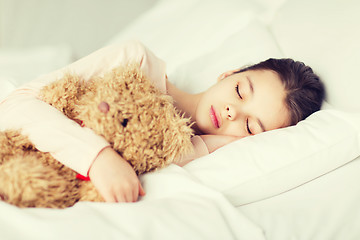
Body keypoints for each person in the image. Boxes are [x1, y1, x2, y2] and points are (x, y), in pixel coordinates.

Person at [0, 40, 325, 204]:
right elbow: (16, 106)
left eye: (251, 125)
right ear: (230, 74)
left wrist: (207, 146)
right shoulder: (136, 61)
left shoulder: (195, 151)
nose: (232, 113)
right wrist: (98, 158)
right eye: (240, 91)